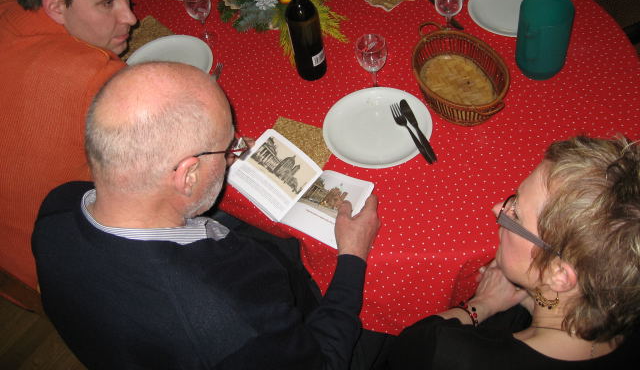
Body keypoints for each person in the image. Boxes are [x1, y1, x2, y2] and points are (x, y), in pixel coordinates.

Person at [32, 62, 383, 369]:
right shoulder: (232, 318)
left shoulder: (57, 208)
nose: (233, 154)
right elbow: (323, 361)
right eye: (227, 147)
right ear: (187, 175)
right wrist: (352, 257)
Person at [386, 135, 640, 368]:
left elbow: (414, 343)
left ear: (559, 275)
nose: (498, 209)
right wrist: (535, 297)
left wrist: (482, 305)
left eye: (516, 214)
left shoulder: (451, 354)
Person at [0, 0, 145, 304]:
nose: (130, 17)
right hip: (65, 269)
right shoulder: (94, 76)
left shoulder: (8, 9)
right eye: (108, 3)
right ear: (56, 5)